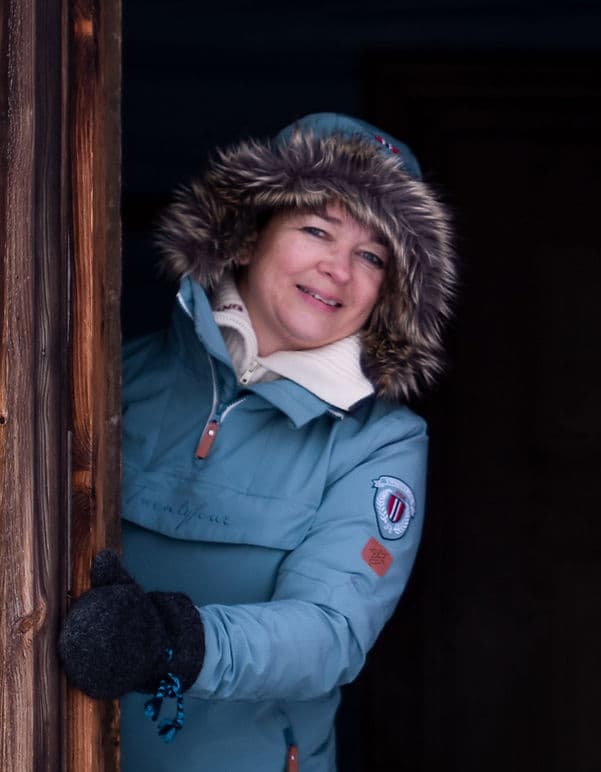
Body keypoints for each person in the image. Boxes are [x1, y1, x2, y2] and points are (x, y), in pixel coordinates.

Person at [58, 112, 457, 771]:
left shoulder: (381, 442)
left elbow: (330, 632)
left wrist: (174, 642)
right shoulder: (105, 381)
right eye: (316, 230)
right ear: (244, 238)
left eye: (372, 255)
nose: (338, 268)